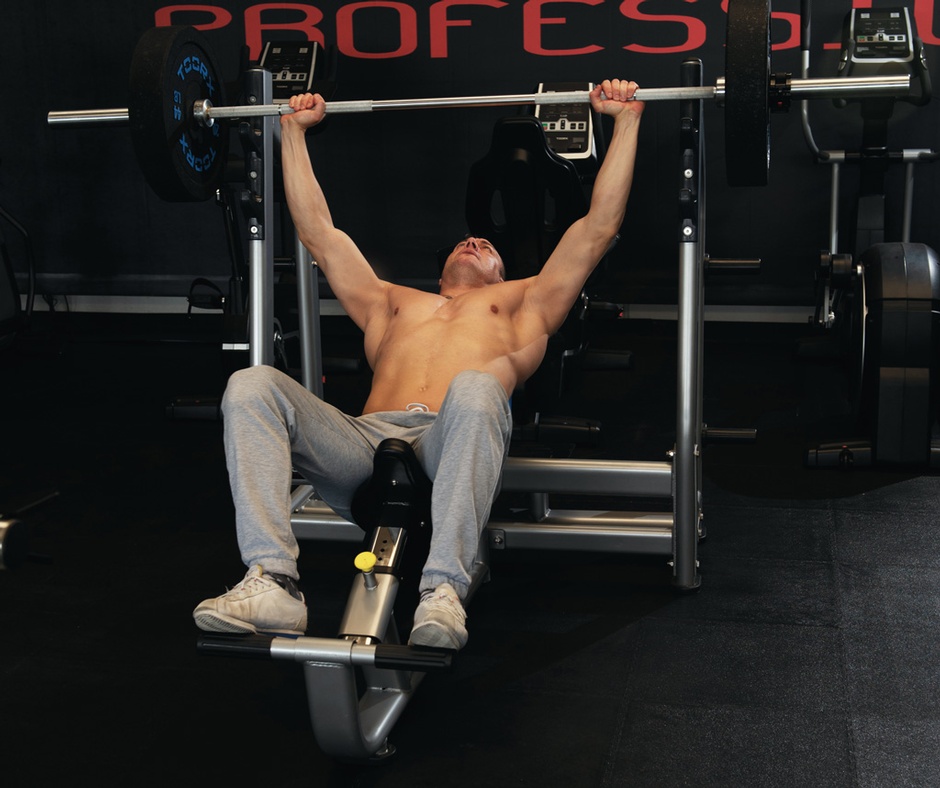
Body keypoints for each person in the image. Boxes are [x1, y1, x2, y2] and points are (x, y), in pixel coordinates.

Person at [193, 79, 644, 649]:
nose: (474, 241)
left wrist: (625, 120)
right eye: (465, 242)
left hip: (447, 440)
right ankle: (273, 581)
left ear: (504, 275)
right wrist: (292, 131)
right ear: (441, 267)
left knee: (478, 386)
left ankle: (443, 591)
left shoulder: (527, 303)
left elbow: (598, 227)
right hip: (363, 445)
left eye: (488, 247)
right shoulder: (390, 302)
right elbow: (320, 236)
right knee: (251, 384)